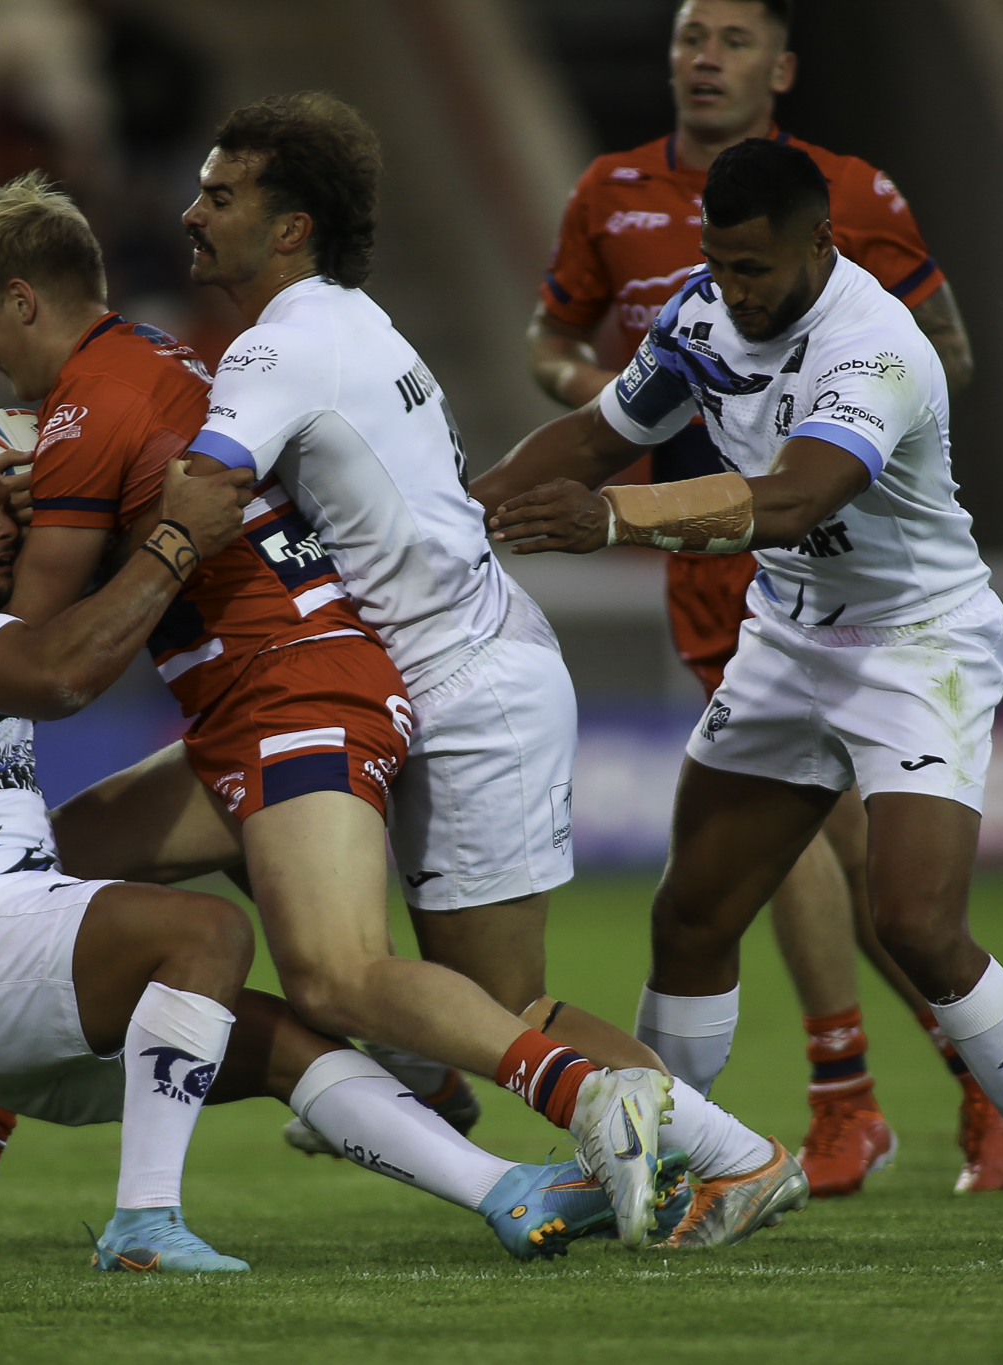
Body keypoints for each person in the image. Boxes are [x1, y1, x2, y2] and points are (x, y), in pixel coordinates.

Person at [0, 167, 743, 1255]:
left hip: (290, 687)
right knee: (63, 871)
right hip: (263, 693)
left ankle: (616, 1105)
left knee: (344, 978)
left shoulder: (84, 410)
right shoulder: (151, 360)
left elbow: (49, 654)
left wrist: (39, 514)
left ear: (22, 300)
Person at [157, 92, 809, 1250]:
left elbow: (202, 496)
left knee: (505, 1007)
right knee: (281, 874)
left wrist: (66, 506)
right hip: (443, 674)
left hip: (465, 690)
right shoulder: (349, 321)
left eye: (219, 195)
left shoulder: (278, 345)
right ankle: (422, 1072)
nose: (191, 214)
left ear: (291, 226)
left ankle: (740, 1157)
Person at [484, 137, 1003, 1245]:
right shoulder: (697, 315)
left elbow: (794, 498)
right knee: (691, 915)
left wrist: (614, 519)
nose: (732, 290)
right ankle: (667, 1158)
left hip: (914, 647)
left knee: (915, 922)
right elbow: (594, 436)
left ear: (819, 243)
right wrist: (451, 516)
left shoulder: (875, 346)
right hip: (787, 638)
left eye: (753, 269)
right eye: (717, 263)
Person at [0, 443, 640, 1270]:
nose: (4, 527)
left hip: (3, 994)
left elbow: (70, 622)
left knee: (290, 1043)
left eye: (5, 509)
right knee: (205, 934)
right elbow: (59, 674)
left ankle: (507, 1191)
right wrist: (174, 538)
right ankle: (143, 1222)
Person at [512, 0, 1003, 1201]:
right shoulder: (608, 192)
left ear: (780, 68)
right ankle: (846, 1099)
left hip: (817, 532)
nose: (704, 58)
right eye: (689, 36)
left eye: (732, 40)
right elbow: (550, 346)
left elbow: (944, 352)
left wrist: (832, 421)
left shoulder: (852, 192)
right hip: (698, 547)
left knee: (840, 847)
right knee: (764, 848)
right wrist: (633, 399)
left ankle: (909, 1090)